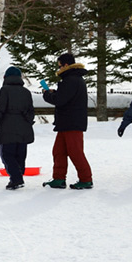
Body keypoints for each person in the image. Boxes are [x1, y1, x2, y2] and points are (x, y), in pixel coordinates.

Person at [40, 51, 93, 189]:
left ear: (66, 65)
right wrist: (55, 93)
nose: (59, 69)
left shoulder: (71, 80)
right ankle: (58, 178)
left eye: (59, 66)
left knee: (75, 152)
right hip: (66, 123)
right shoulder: (72, 79)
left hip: (72, 123)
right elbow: (66, 97)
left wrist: (47, 96)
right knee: (58, 151)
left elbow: (61, 100)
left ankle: (86, 179)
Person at [0, 66, 35, 190]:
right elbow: (31, 112)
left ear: (6, 77)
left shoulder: (5, 90)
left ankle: (16, 178)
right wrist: (27, 123)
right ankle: (18, 174)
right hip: (24, 129)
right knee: (20, 154)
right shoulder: (26, 92)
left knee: (7, 154)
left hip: (8, 128)